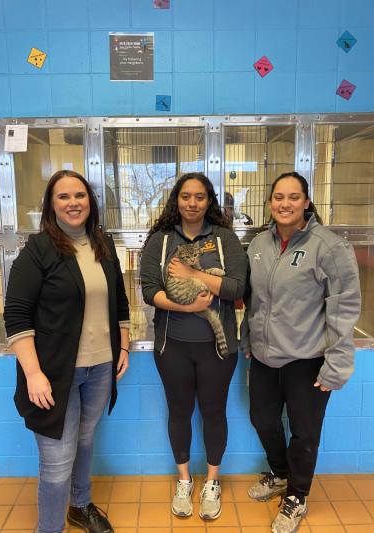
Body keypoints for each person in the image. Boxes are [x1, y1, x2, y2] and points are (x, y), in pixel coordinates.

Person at [4, 170, 130, 533]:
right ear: (51, 205)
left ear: (90, 201)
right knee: (58, 459)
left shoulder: (102, 245)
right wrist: (33, 374)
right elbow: (15, 315)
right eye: (64, 197)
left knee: (85, 440)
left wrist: (121, 346)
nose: (73, 203)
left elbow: (119, 302)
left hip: (100, 367)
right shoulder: (38, 250)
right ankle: (50, 528)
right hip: (55, 373)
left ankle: (80, 505)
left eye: (80, 195)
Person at [241, 172, 361, 533]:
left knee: (305, 432)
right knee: (263, 420)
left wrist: (337, 363)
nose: (285, 204)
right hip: (264, 356)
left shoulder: (329, 247)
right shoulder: (259, 244)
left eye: (293, 197)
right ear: (270, 202)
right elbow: (253, 300)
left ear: (306, 202)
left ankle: (298, 494)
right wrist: (248, 338)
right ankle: (279, 473)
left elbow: (344, 306)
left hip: (307, 358)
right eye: (279, 197)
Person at [140, 172, 248, 520]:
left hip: (218, 348)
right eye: (185, 196)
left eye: (199, 197)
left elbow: (235, 289)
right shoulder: (159, 240)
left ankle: (213, 482)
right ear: (176, 200)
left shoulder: (224, 239)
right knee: (180, 412)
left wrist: (195, 276)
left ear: (209, 201)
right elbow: (149, 291)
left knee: (214, 413)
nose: (192, 203)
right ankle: (185, 480)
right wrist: (188, 306)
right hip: (173, 345)